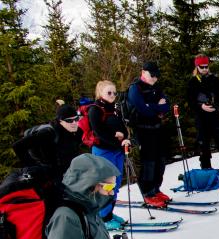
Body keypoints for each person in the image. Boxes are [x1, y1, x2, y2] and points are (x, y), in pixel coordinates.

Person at [88, 80, 132, 230]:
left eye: (114, 92)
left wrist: (125, 137)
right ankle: (104, 218)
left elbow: (123, 128)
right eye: (109, 92)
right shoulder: (95, 110)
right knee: (106, 185)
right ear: (100, 93)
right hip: (103, 151)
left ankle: (109, 214)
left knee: (116, 183)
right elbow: (99, 132)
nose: (113, 95)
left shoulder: (115, 109)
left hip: (116, 151)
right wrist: (117, 139)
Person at [127, 61, 172, 207]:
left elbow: (167, 106)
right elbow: (142, 109)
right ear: (143, 72)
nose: (154, 78)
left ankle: (156, 189)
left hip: (158, 129)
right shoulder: (135, 88)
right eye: (152, 75)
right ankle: (147, 193)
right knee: (149, 162)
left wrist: (155, 107)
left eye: (156, 76)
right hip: (143, 130)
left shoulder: (156, 87)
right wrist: (157, 107)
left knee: (161, 160)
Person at [186, 54, 219, 182]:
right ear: (197, 67)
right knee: (204, 147)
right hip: (202, 119)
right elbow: (190, 103)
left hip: (216, 118)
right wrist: (201, 106)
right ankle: (207, 172)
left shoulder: (215, 79)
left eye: (206, 66)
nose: (204, 69)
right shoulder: (192, 82)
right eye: (201, 67)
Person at [12, 103, 83, 181]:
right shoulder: (48, 133)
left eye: (76, 119)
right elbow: (18, 146)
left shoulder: (77, 132)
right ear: (60, 121)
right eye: (69, 120)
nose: (74, 123)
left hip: (68, 174)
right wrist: (34, 167)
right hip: (51, 177)